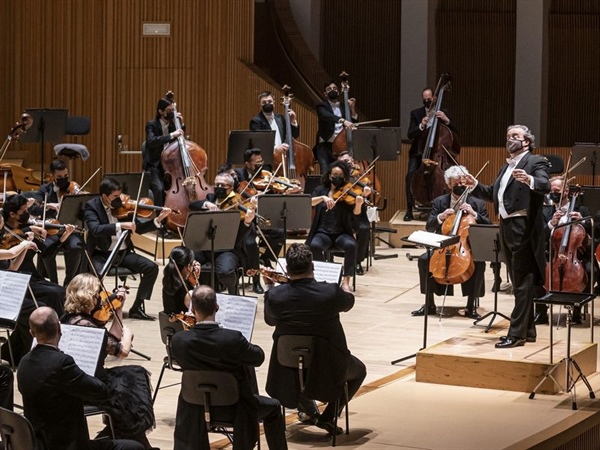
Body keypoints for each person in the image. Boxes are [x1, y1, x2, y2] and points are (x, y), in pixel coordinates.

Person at [264, 243, 366, 434]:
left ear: (287, 269)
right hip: (329, 366)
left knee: (299, 366)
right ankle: (327, 416)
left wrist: (270, 287)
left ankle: (310, 411)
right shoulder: (330, 292)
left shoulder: (275, 296)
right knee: (359, 371)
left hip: (287, 367)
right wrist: (345, 286)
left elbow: (270, 321)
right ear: (313, 267)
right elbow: (349, 303)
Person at [171, 285, 288, 450]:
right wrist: (243, 345)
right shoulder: (232, 339)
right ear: (216, 307)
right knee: (274, 407)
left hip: (194, 409)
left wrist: (187, 333)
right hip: (235, 409)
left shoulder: (179, 340)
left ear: (193, 309)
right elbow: (258, 357)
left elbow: (181, 359)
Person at [465, 124, 550, 348]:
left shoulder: (535, 161)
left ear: (527, 141)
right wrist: (475, 185)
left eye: (515, 136)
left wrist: (529, 180)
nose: (510, 139)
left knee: (522, 281)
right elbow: (493, 195)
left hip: (522, 225)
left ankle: (516, 333)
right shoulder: (506, 166)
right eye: (508, 136)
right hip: (506, 225)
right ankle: (528, 331)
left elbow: (545, 184)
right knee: (520, 279)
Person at [17, 306, 144, 450]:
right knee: (134, 447)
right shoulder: (62, 363)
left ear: (32, 333)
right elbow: (101, 391)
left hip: (37, 443)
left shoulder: (24, 362)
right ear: (59, 328)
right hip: (65, 445)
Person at [62, 274, 157, 449]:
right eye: (98, 293)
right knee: (132, 386)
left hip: (82, 377)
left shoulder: (70, 318)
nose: (100, 297)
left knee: (134, 375)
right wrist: (127, 335)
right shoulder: (87, 327)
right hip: (90, 383)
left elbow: (111, 339)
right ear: (89, 296)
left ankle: (124, 434)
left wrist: (118, 309)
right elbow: (122, 351)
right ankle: (131, 436)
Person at [84, 177, 172, 320]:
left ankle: (137, 307)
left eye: (120, 195)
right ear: (105, 196)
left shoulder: (123, 207)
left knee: (151, 267)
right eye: (115, 197)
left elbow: (139, 228)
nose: (120, 200)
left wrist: (158, 219)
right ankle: (97, 308)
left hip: (123, 253)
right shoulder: (92, 206)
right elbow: (95, 229)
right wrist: (120, 226)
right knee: (96, 275)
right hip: (101, 254)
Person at [410, 166, 490, 319]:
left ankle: (470, 306)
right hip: (444, 246)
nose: (460, 186)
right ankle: (429, 304)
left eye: (462, 183)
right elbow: (430, 225)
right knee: (424, 260)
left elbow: (487, 225)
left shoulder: (478, 203)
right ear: (449, 185)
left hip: (468, 246)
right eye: (456, 183)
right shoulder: (440, 202)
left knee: (479, 263)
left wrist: (474, 214)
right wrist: (440, 217)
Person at [535, 176, 597, 325]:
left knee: (590, 270)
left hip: (576, 256)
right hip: (553, 255)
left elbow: (596, 232)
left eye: (557, 191)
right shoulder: (546, 212)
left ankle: (577, 309)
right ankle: (541, 312)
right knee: (537, 270)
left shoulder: (581, 209)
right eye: (551, 191)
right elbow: (540, 238)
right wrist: (551, 224)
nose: (553, 194)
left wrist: (584, 220)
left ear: (566, 191)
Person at [190, 173, 255, 295]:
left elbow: (239, 238)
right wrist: (207, 204)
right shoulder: (210, 198)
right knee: (185, 261)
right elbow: (192, 205)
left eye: (223, 185)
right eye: (217, 184)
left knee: (226, 272)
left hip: (227, 249)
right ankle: (196, 294)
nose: (219, 187)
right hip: (205, 247)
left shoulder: (239, 204)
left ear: (231, 187)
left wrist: (247, 222)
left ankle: (233, 292)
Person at [234, 149, 287, 294]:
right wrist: (248, 198)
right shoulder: (238, 175)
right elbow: (234, 192)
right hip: (246, 218)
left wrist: (284, 190)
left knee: (280, 233)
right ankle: (257, 280)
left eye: (261, 161)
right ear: (247, 164)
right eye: (256, 163)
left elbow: (272, 194)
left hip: (262, 216)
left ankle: (263, 257)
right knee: (251, 243)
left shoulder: (266, 175)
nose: (260, 165)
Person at [307, 161, 364, 292]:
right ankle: (324, 277)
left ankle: (346, 281)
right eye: (334, 174)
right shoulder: (321, 190)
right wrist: (322, 198)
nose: (337, 177)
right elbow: (308, 202)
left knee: (351, 245)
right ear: (329, 176)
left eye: (340, 175)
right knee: (314, 245)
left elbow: (355, 216)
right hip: (323, 232)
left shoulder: (349, 192)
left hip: (341, 233)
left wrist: (358, 204)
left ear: (345, 177)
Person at [404, 87, 457, 221]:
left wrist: (446, 120)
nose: (427, 101)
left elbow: (456, 131)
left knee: (449, 177)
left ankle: (444, 209)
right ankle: (409, 209)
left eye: (429, 99)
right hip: (420, 153)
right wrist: (421, 126)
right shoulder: (416, 113)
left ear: (435, 98)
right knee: (410, 176)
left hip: (439, 154)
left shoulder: (443, 112)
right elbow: (410, 134)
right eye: (425, 99)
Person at [30, 158, 84, 285]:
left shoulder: (73, 188)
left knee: (76, 247)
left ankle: (68, 282)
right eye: (59, 176)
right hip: (52, 231)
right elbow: (33, 208)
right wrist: (49, 205)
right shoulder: (45, 190)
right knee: (47, 247)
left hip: (69, 230)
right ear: (52, 176)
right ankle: (53, 282)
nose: (64, 179)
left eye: (66, 175)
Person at [144, 96, 185, 207]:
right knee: (159, 189)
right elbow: (151, 141)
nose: (172, 113)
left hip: (171, 166)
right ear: (160, 111)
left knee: (182, 187)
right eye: (169, 111)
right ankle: (160, 219)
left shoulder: (173, 125)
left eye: (173, 110)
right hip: (155, 166)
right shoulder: (152, 125)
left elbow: (180, 141)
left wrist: (180, 124)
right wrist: (171, 135)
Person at [337, 151, 372, 275]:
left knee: (364, 228)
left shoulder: (359, 178)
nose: (348, 164)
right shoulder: (336, 178)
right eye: (344, 161)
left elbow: (368, 201)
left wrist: (365, 195)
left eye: (350, 161)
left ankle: (357, 262)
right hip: (340, 215)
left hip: (358, 214)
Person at [314, 82, 357, 173]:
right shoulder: (322, 106)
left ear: (338, 92)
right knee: (325, 173)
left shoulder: (343, 107)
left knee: (342, 173)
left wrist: (352, 109)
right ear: (325, 94)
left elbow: (353, 123)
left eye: (334, 88)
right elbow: (325, 115)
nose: (332, 90)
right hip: (325, 146)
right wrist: (342, 120)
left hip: (340, 147)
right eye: (329, 89)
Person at [249, 90, 299, 159]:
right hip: (267, 160)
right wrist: (276, 149)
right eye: (264, 102)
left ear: (274, 103)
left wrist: (293, 121)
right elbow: (259, 143)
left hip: (282, 159)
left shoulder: (280, 118)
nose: (267, 103)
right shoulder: (256, 121)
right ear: (260, 105)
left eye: (270, 101)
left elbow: (294, 135)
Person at [162, 245, 200, 315]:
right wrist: (196, 283)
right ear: (189, 267)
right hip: (184, 324)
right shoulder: (187, 292)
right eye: (193, 264)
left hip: (170, 324)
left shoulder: (168, 280)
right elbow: (201, 313)